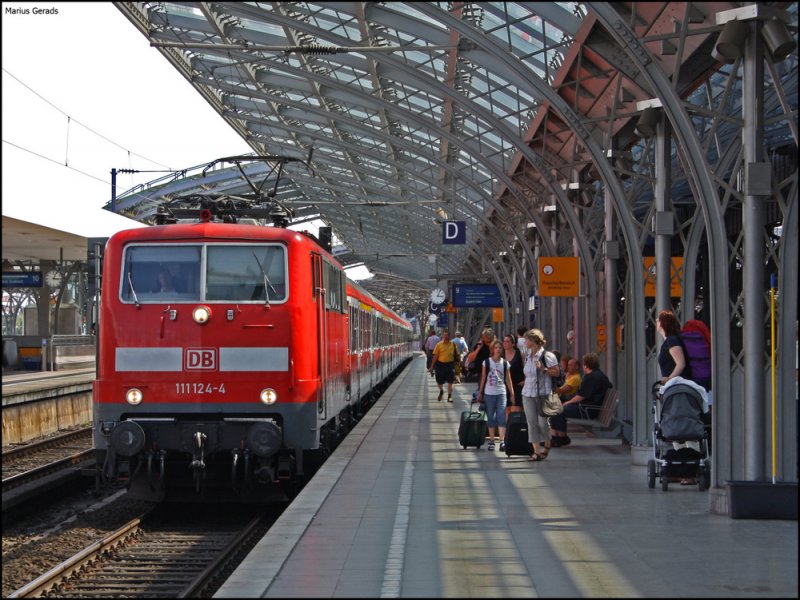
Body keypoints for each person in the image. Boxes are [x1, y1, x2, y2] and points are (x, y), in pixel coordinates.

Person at [549, 352, 612, 447]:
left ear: (585, 365)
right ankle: (560, 437)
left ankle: (559, 438)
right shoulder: (599, 375)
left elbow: (581, 396)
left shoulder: (591, 377)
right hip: (592, 408)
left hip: (587, 410)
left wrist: (568, 402)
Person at [520, 329, 560, 461]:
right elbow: (528, 373)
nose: (524, 342)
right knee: (531, 422)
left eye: (526, 340)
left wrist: (544, 369)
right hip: (527, 393)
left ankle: (547, 442)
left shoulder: (547, 356)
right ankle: (536, 451)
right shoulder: (527, 355)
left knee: (542, 423)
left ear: (533, 341)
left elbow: (557, 372)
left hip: (542, 393)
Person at [476, 340, 515, 451]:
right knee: (491, 417)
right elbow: (483, 377)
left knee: (501, 416)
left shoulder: (505, 363)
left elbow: (508, 379)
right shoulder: (486, 362)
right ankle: (492, 440)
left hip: (501, 393)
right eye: (496, 348)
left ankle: (502, 441)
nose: (498, 349)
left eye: (500, 348)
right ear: (492, 350)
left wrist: (512, 394)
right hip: (489, 393)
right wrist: (480, 392)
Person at [656, 310, 689, 385]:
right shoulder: (670, 340)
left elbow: (681, 363)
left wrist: (669, 379)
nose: (656, 322)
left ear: (662, 323)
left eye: (658, 320)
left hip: (678, 387)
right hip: (676, 386)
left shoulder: (672, 340)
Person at [429, 329, 457, 402]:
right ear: (442, 335)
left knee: (450, 381)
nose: (446, 336)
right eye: (445, 335)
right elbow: (435, 356)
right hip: (440, 365)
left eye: (447, 335)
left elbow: (457, 355)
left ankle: (449, 396)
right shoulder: (439, 345)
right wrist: (432, 366)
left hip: (450, 365)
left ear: (450, 336)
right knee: (439, 381)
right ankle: (441, 390)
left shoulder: (453, 345)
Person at [502, 333, 525, 422]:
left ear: (513, 344)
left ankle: (517, 428)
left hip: (517, 384)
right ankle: (509, 431)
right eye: (504, 341)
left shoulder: (519, 354)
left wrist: (525, 381)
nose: (505, 344)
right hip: (505, 385)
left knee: (516, 408)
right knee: (506, 408)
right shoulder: (501, 355)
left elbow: (525, 368)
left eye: (507, 342)